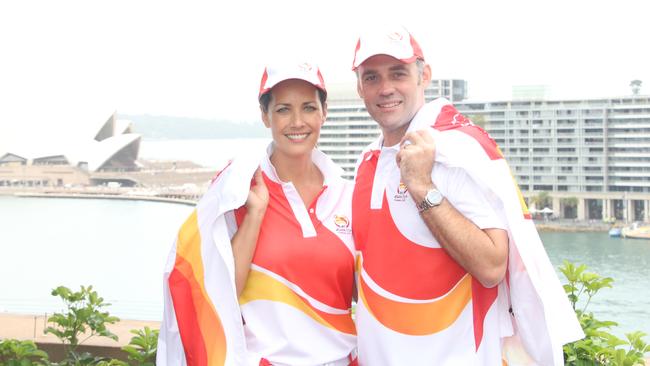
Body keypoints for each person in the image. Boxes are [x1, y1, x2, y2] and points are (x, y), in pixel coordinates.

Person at [350, 25, 583, 365]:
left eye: (397, 73)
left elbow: (492, 265)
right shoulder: (366, 161)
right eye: (371, 77)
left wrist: (422, 188)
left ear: (423, 75)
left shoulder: (454, 151)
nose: (385, 89)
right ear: (359, 87)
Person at [157, 62, 357, 365]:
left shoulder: (346, 193)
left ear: (323, 112)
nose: (298, 121)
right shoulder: (237, 189)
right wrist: (254, 215)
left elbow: (366, 292)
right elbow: (217, 291)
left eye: (308, 108)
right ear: (265, 116)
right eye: (283, 110)